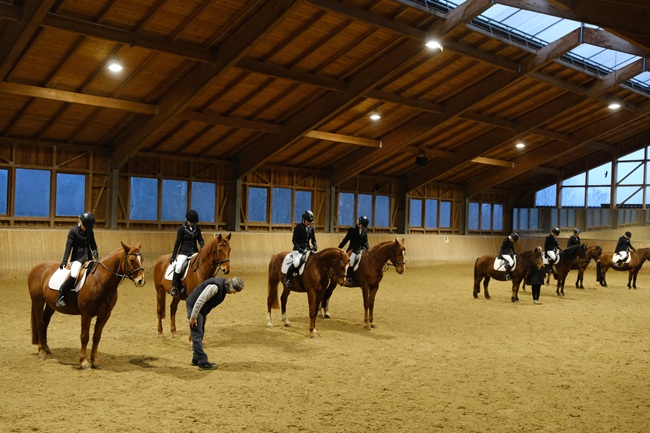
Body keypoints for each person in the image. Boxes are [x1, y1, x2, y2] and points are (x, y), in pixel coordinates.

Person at [185, 276, 245, 370]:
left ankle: (196, 359)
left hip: (201, 309)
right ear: (231, 287)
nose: (234, 293)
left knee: (200, 332)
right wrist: (193, 317)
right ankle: (203, 362)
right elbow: (200, 301)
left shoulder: (223, 287)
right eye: (235, 291)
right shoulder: (215, 287)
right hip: (194, 306)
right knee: (197, 334)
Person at [56, 212, 99, 308]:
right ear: (82, 223)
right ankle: (61, 296)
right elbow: (68, 247)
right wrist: (64, 260)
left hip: (88, 258)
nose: (88, 229)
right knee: (74, 274)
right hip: (77, 259)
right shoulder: (73, 231)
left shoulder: (90, 231)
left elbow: (93, 244)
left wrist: (95, 251)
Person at [170, 210, 205, 297]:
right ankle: (174, 287)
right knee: (178, 267)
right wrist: (174, 256)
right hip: (184, 252)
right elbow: (177, 243)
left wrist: (202, 246)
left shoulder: (197, 228)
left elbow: (200, 239)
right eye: (193, 222)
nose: (194, 224)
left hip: (195, 252)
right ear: (188, 220)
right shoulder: (182, 229)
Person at [285, 210, 318, 287]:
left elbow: (313, 240)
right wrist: (299, 249)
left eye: (310, 222)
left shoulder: (311, 229)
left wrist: (315, 246)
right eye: (308, 221)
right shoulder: (298, 227)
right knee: (296, 263)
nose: (309, 223)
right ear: (303, 220)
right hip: (298, 250)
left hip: (308, 250)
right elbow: (294, 240)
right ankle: (287, 279)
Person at [338, 215, 370, 285]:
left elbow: (365, 242)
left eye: (362, 225)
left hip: (361, 250)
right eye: (360, 224)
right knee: (351, 262)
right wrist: (339, 248)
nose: (360, 225)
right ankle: (348, 278)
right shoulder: (352, 230)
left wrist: (369, 249)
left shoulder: (364, 231)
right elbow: (345, 240)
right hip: (352, 250)